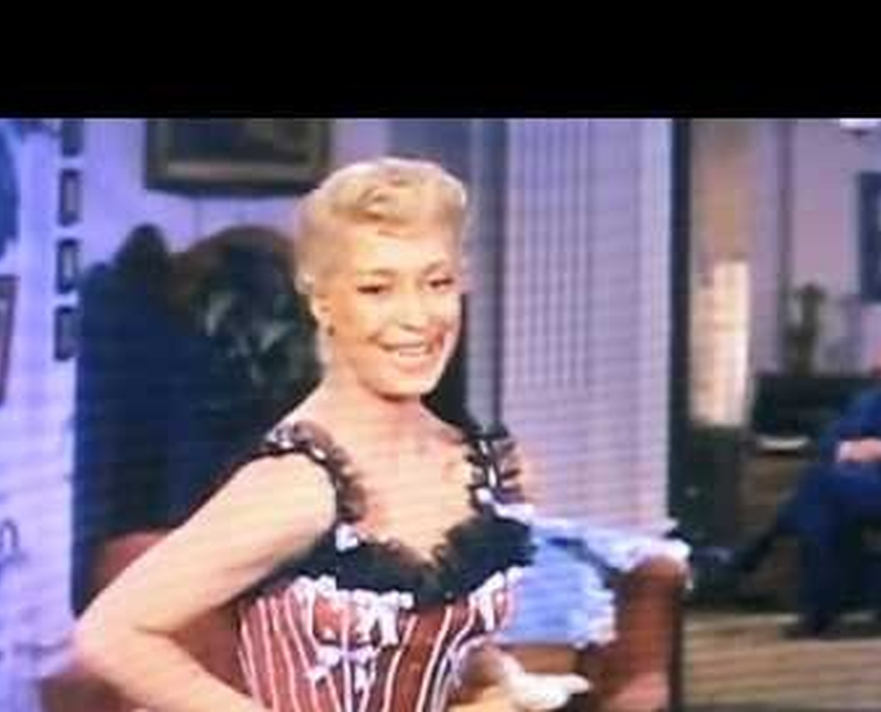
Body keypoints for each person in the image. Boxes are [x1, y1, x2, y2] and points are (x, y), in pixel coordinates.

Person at [74, 158, 589, 712]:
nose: (418, 316)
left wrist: (503, 681)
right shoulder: (294, 486)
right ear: (322, 301)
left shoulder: (490, 476)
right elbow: (112, 632)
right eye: (377, 289)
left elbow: (440, 635)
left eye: (437, 283)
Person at [726, 333, 881, 638]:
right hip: (853, 487)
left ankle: (762, 555)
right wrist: (847, 449)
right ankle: (816, 609)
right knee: (819, 514)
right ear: (880, 362)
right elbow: (829, 438)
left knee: (817, 486)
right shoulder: (865, 400)